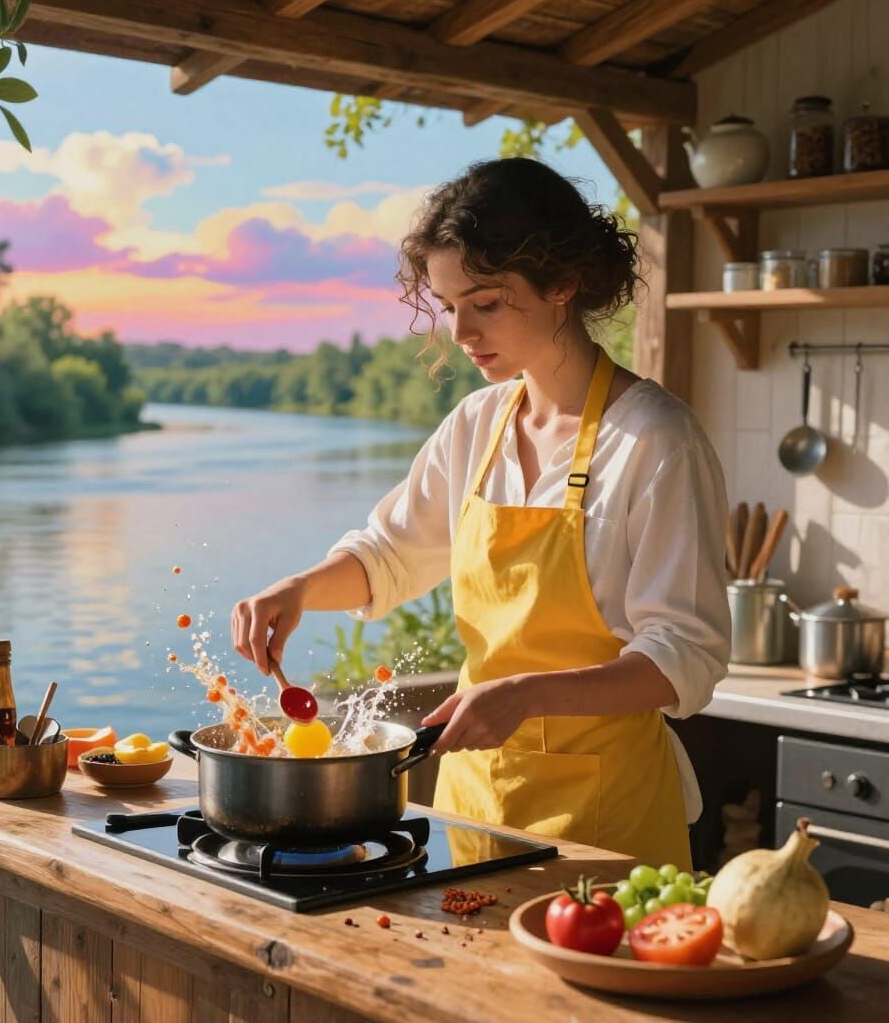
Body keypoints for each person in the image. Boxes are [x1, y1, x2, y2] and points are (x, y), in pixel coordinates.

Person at [231, 158, 730, 869]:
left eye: (486, 303)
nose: (461, 331)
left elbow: (686, 658)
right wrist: (301, 589)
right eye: (447, 305)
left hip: (607, 821)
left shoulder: (655, 441)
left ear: (563, 283)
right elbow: (391, 555)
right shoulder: (477, 424)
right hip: (475, 806)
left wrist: (526, 695)